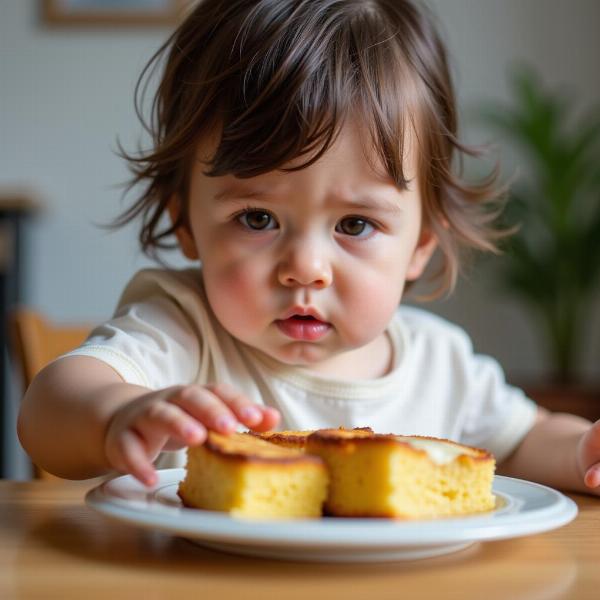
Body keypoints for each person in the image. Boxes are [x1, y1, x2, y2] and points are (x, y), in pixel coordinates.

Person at [17, 0, 600, 495]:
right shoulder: (182, 330)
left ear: (420, 244)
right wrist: (117, 415)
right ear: (186, 224)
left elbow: (526, 440)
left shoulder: (439, 363)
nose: (305, 268)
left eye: (354, 225)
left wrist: (582, 450)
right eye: (257, 216)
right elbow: (48, 410)